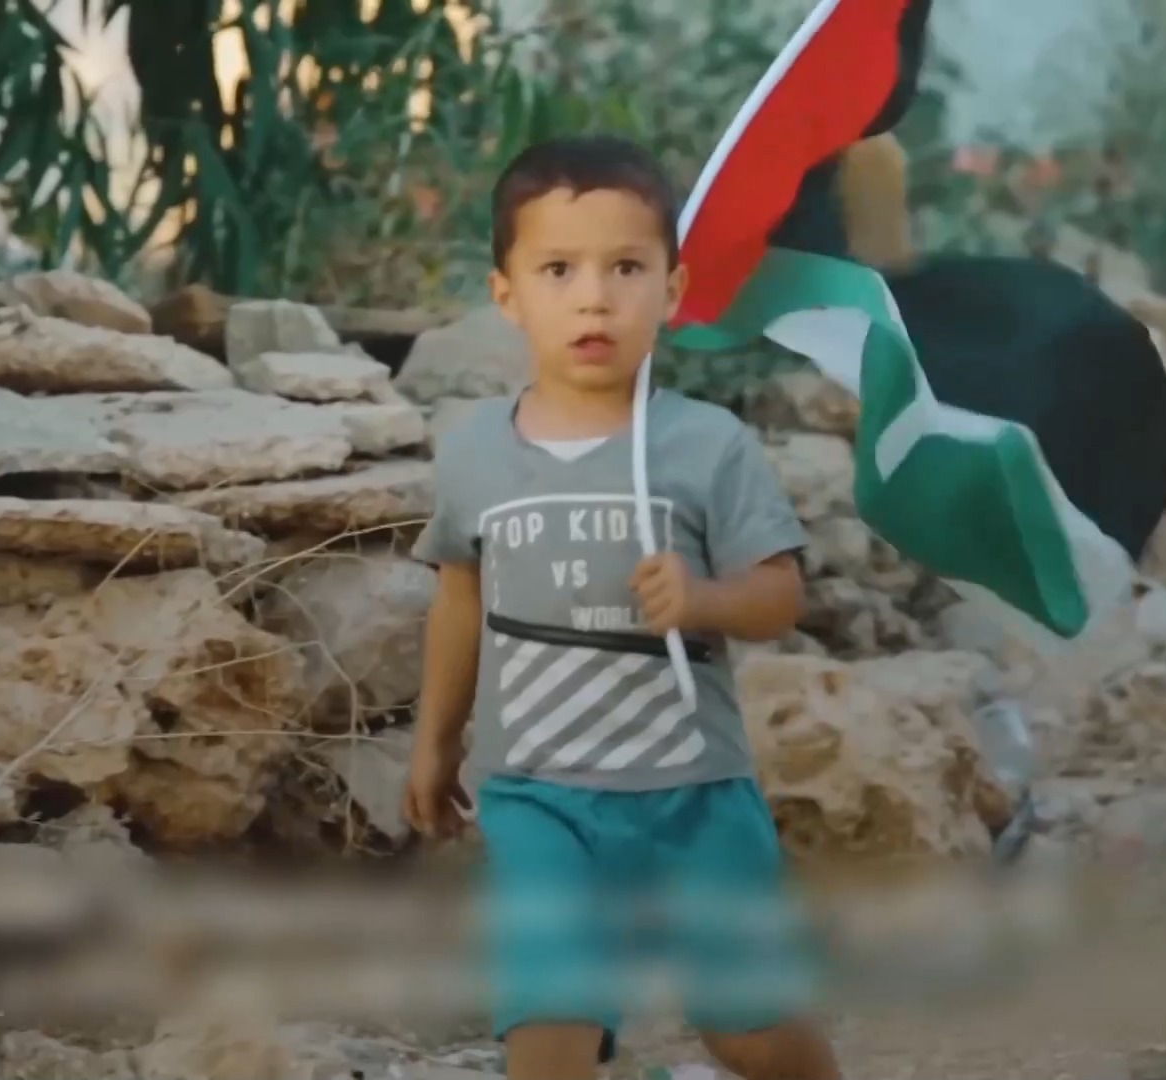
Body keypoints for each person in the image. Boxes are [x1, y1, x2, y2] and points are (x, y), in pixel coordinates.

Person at [402, 133, 841, 1080]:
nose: (594, 298)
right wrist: (435, 743)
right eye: (558, 269)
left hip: (694, 795)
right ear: (507, 294)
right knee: (549, 1030)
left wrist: (705, 596)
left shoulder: (707, 446)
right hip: (537, 798)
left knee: (751, 1033)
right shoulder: (474, 452)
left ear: (673, 290)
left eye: (627, 268)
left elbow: (779, 596)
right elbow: (460, 598)